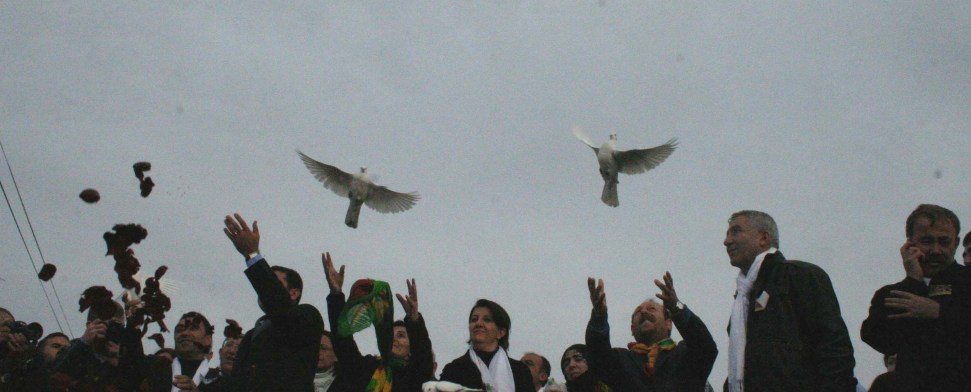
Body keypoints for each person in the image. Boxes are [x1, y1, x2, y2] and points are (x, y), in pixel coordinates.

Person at [723, 210, 857, 392]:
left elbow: (834, 349)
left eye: (736, 231)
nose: (727, 241)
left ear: (763, 238)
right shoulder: (743, 302)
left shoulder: (800, 276)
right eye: (727, 234)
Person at [860, 204, 971, 392]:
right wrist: (913, 282)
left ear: (956, 243)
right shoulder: (892, 293)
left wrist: (939, 313)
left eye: (944, 242)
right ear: (910, 243)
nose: (936, 250)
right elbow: (876, 337)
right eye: (927, 241)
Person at [222, 213, 325, 392]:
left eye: (274, 281)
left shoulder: (308, 316)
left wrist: (252, 255)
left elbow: (282, 310)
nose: (263, 288)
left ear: (294, 293)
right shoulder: (252, 335)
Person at [585, 271, 716, 392]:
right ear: (632, 329)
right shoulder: (621, 359)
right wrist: (599, 316)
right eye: (638, 312)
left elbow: (706, 347)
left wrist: (676, 306)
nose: (643, 312)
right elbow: (597, 357)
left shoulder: (685, 352)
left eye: (652, 309)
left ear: (668, 323)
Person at [323, 252, 434, 391]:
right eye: (391, 334)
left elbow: (423, 356)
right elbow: (343, 342)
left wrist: (414, 319)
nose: (394, 339)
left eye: (401, 335)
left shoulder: (414, 375)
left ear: (411, 347)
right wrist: (336, 295)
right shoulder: (366, 367)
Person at [50, 300, 145, 392]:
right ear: (90, 325)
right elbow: (52, 382)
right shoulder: (72, 352)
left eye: (118, 327)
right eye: (109, 325)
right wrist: (83, 343)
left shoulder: (125, 359)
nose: (113, 331)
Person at [439, 299, 533, 391]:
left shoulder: (519, 371)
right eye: (474, 319)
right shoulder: (454, 369)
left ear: (500, 332)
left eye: (487, 320)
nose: (478, 323)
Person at [143, 311, 214, 392]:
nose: (184, 333)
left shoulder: (221, 382)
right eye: (179, 329)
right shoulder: (155, 369)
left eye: (193, 328)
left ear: (208, 340)